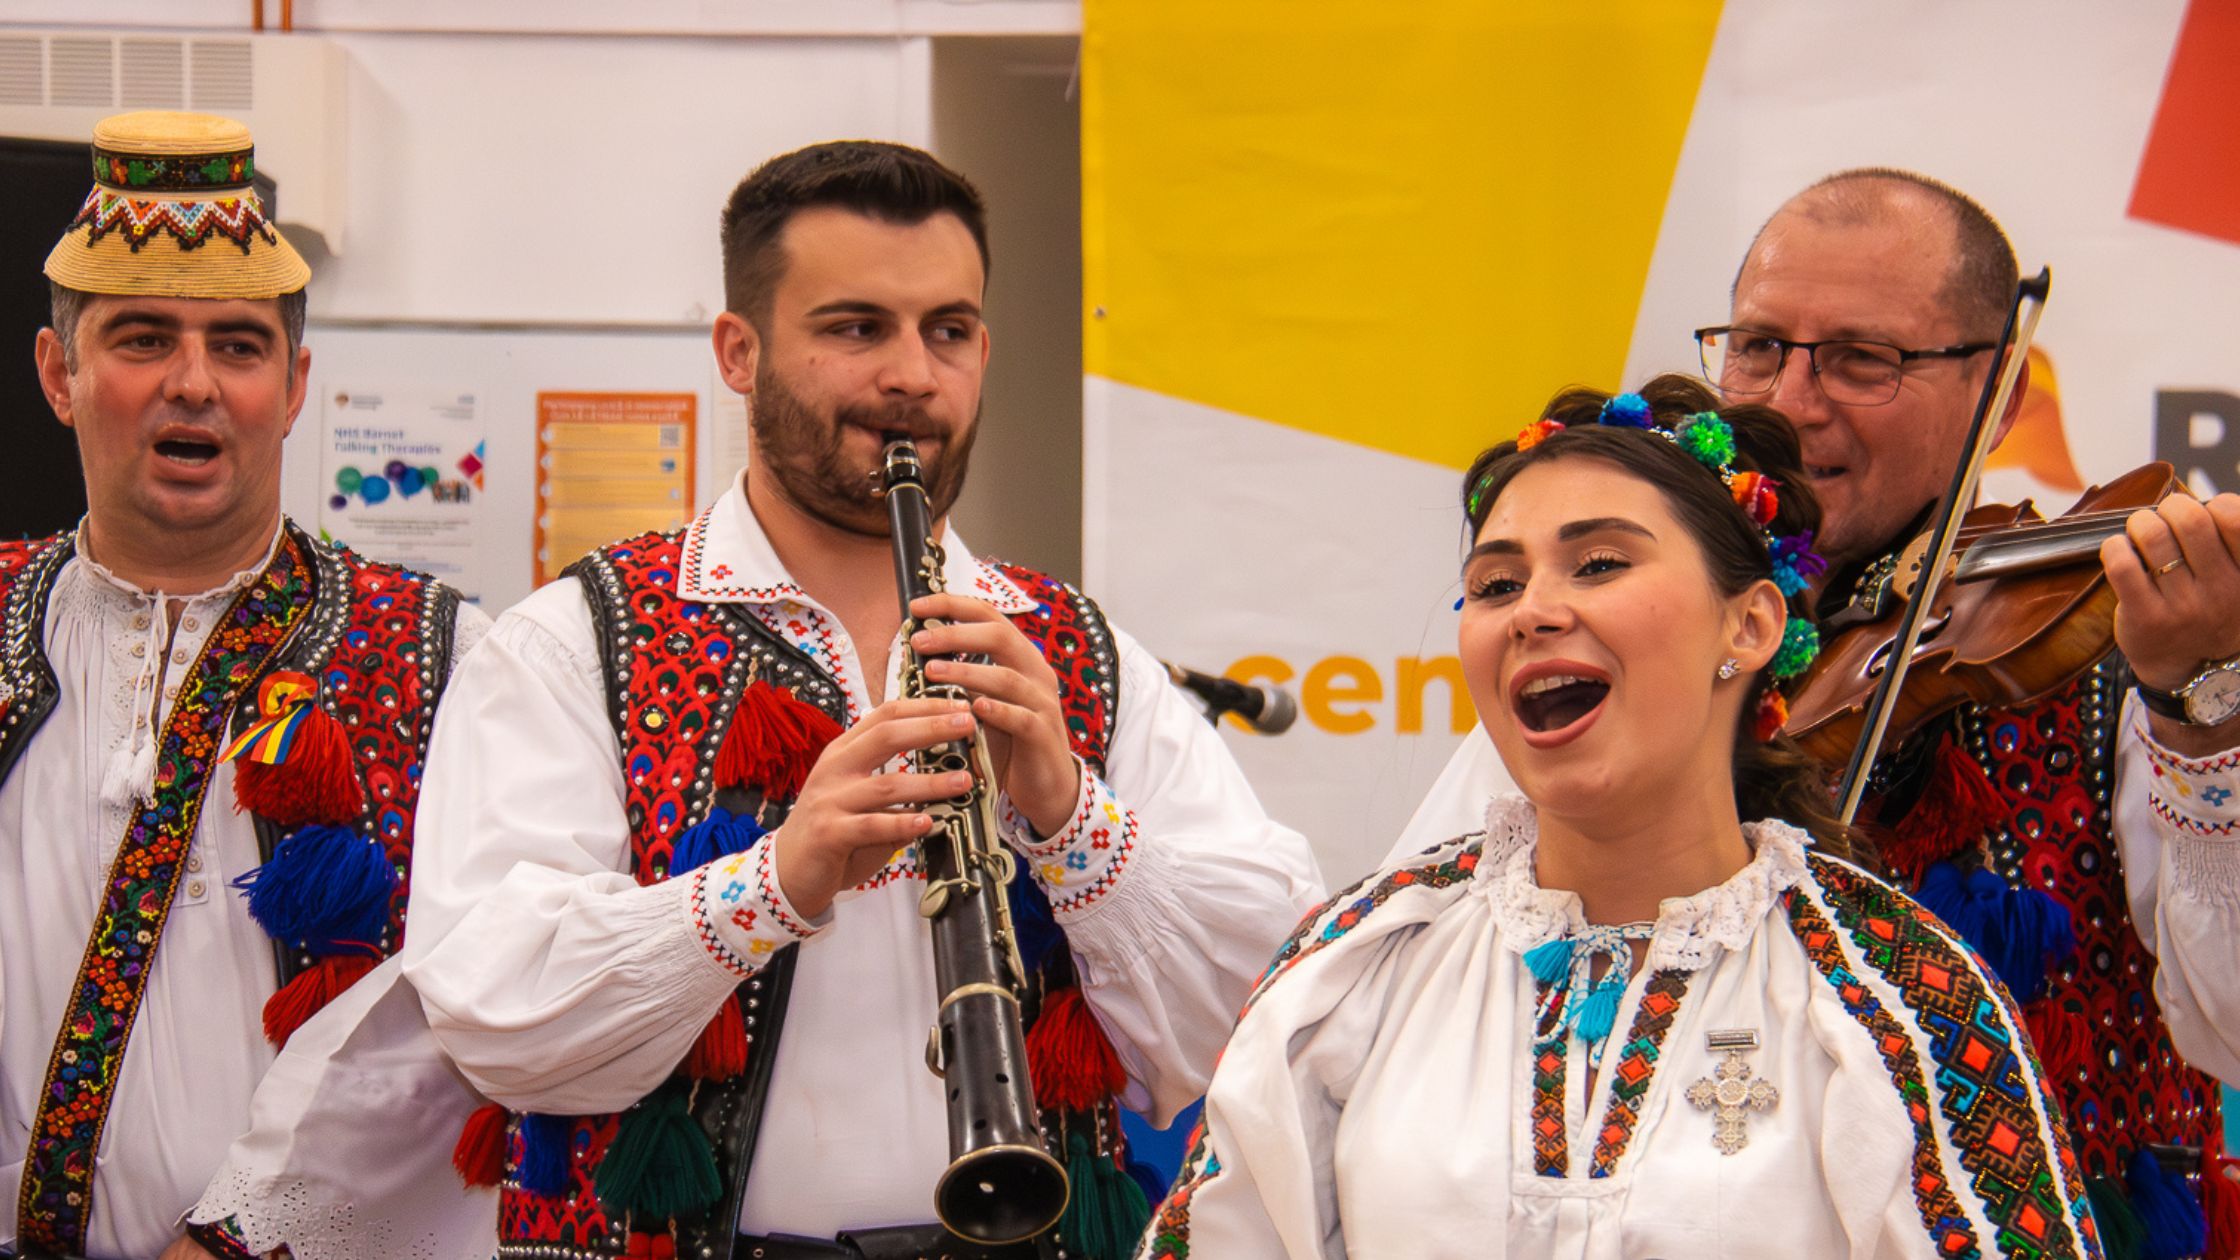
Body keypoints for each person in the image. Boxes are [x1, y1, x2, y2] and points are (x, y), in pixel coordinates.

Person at [400, 140, 1325, 1260]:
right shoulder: (570, 643)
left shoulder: (1081, 651)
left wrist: (1073, 818)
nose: (910, 376)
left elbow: (1263, 992)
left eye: (946, 331)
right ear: (738, 354)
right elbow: (494, 1012)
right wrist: (770, 884)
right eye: (854, 328)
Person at [1398, 170, 2240, 1252]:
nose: (1788, 404)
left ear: (2001, 398)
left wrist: (2197, 706)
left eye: (1861, 359)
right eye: (1757, 348)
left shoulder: (2112, 649)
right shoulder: (1634, 643)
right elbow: (1434, 956)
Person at [1142, 377, 2103, 1259]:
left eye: (1599, 564)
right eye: (1496, 585)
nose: (1533, 612)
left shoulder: (1894, 988)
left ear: (1752, 625)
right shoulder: (1362, 961)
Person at [1, 112, 493, 1259]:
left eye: (237, 344)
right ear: (57, 374)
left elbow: (461, 1004)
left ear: (295, 380)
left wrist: (244, 1240)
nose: (194, 383)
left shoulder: (441, 654)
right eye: (138, 339)